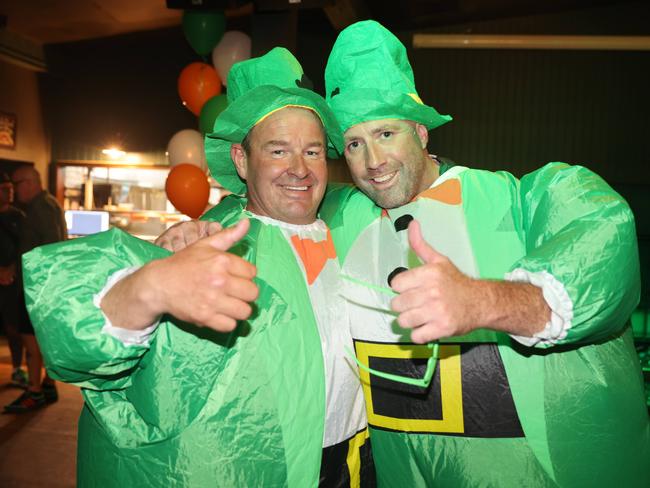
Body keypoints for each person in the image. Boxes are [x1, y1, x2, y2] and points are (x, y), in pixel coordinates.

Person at [317, 20, 649, 487]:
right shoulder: (342, 217)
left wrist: (484, 302)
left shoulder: (510, 203)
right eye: (355, 143)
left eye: (386, 134)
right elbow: (273, 210)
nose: (373, 161)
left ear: (421, 132)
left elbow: (601, 230)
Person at [22, 48, 374, 487]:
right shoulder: (209, 240)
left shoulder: (355, 222)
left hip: (356, 462)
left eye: (313, 151)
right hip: (261, 470)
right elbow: (76, 335)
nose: (299, 169)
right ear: (243, 161)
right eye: (278, 150)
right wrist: (148, 287)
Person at [4, 166, 66, 412]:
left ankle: (34, 391)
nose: (14, 191)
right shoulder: (49, 203)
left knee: (31, 341)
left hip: (37, 286)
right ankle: (47, 385)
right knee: (44, 339)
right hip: (43, 285)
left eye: (16, 184)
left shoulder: (40, 208)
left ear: (29, 183)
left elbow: (48, 249)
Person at [0, 172, 27, 389]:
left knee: (13, 329)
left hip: (12, 281)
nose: (8, 193)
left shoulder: (19, 216)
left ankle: (18, 369)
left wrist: (12, 268)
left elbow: (24, 248)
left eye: (10, 188)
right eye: (3, 189)